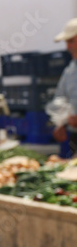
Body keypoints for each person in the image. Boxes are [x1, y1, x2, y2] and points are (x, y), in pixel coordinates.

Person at [50, 18, 77, 153]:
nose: (67, 47)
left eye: (71, 41)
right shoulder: (70, 71)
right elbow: (61, 99)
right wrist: (61, 123)